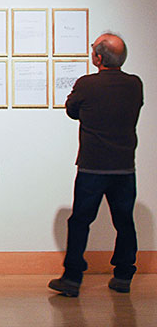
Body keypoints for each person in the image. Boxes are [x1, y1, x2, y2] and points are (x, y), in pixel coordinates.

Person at [49, 32, 143, 297]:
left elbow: (71, 109)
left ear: (98, 57)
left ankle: (72, 277)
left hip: (93, 166)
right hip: (124, 167)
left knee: (80, 221)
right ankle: (124, 275)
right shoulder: (135, 84)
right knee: (124, 221)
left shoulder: (87, 84)